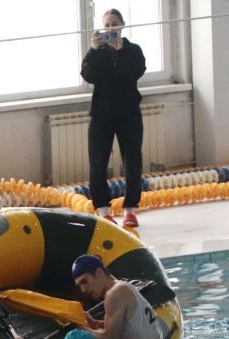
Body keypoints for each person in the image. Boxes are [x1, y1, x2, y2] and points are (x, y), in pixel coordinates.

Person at [80, 9, 146, 228]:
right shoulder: (97, 53)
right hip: (102, 114)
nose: (110, 28)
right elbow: (88, 75)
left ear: (122, 25)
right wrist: (92, 50)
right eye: (107, 25)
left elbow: (135, 72)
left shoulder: (133, 50)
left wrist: (120, 52)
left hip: (129, 114)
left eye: (114, 24)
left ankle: (130, 210)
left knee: (132, 161)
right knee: (98, 163)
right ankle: (104, 210)